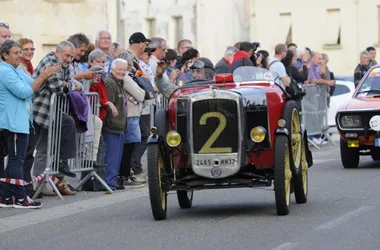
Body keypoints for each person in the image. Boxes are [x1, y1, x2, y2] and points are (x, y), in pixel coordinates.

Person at [0, 40, 60, 208]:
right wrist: (43, 76)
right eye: (16, 53)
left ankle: (6, 196)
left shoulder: (15, 69)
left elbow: (33, 84)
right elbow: (24, 92)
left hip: (19, 122)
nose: (20, 56)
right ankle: (19, 197)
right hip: (12, 123)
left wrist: (45, 76)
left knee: (16, 160)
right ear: (5, 55)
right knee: (16, 160)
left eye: (21, 52)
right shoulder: (4, 71)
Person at [115, 52, 145, 187]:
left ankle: (126, 174)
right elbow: (141, 94)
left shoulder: (127, 77)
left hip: (133, 114)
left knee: (130, 146)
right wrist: (140, 93)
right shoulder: (126, 77)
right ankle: (125, 175)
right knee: (129, 146)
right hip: (130, 115)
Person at [103, 58, 129, 190]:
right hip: (112, 126)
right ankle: (109, 182)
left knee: (116, 157)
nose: (122, 72)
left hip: (119, 126)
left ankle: (112, 181)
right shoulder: (110, 83)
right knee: (111, 157)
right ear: (112, 69)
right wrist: (110, 124)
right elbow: (108, 105)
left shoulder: (119, 82)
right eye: (120, 69)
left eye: (124, 69)